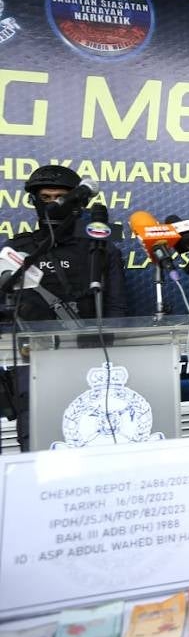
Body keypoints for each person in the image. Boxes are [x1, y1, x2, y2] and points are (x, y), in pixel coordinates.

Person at [1, 164, 128, 450]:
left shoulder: (100, 249)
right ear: (34, 201)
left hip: (89, 362)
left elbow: (117, 310)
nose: (53, 205)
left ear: (77, 203)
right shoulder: (16, 251)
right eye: (45, 198)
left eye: (60, 197)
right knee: (35, 446)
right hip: (33, 365)